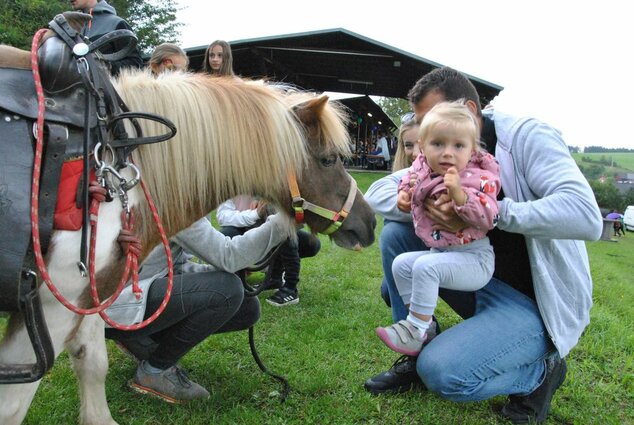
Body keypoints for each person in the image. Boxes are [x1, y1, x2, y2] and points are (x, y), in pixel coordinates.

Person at [363, 66, 602, 425]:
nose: (429, 140)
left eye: (435, 122)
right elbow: (377, 192)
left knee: (444, 374)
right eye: (425, 131)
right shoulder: (442, 151)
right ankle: (416, 344)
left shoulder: (526, 137)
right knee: (396, 238)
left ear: (470, 113)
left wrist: (486, 213)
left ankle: (539, 376)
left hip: (537, 304)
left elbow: (586, 215)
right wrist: (418, 201)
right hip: (477, 275)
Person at [104, 213, 291, 403]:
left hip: (141, 289)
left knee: (247, 307)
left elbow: (176, 262)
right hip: (118, 304)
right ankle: (153, 371)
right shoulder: (176, 201)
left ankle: (142, 339)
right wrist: (285, 222)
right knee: (228, 291)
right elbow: (229, 255)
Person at [375, 101, 500, 356]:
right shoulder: (423, 169)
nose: (447, 153)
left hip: (475, 258)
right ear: (423, 146)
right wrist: (404, 196)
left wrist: (459, 196)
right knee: (401, 264)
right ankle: (425, 326)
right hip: (441, 253)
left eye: (458, 146)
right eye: (438, 144)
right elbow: (407, 181)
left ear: (471, 149)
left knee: (424, 267)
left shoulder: (477, 175)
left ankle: (415, 331)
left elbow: (489, 215)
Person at [217, 196, 321, 306]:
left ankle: (289, 287)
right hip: (249, 229)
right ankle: (270, 280)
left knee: (288, 236)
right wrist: (254, 214)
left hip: (275, 214)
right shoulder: (231, 185)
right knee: (281, 233)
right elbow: (223, 216)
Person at [69, 0, 144, 76]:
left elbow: (135, 64)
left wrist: (107, 67)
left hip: (111, 86)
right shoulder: (70, 29)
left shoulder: (116, 23)